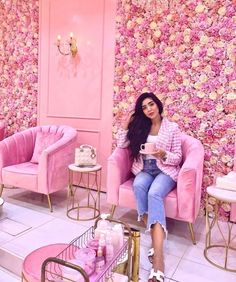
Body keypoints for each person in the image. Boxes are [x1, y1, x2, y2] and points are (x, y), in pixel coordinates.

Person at [117, 92, 182, 282]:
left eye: (151, 104)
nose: (149, 109)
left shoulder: (172, 128)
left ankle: (159, 259)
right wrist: (125, 125)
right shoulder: (141, 127)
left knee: (154, 193)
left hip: (165, 170)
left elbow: (177, 157)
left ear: (158, 104)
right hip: (145, 169)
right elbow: (121, 144)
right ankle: (156, 239)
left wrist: (163, 154)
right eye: (144, 107)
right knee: (138, 185)